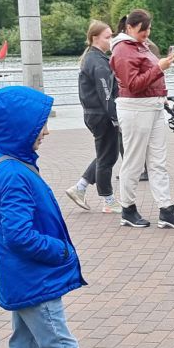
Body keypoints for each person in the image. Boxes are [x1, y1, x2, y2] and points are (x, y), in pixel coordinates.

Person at [0, 86, 138, 348]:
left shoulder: (6, 162)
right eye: (40, 126)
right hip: (35, 282)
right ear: (22, 127)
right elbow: (20, 235)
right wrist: (61, 252)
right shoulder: (14, 174)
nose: (46, 132)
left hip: (21, 280)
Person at [110, 8, 174, 229]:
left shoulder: (138, 46)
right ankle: (128, 208)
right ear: (130, 27)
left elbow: (144, 78)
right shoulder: (123, 50)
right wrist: (159, 68)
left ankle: (165, 209)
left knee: (157, 161)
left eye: (148, 28)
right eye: (143, 29)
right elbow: (133, 84)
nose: (146, 32)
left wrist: (159, 78)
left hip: (152, 106)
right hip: (135, 108)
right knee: (134, 161)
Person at [65, 20, 122, 214]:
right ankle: (108, 200)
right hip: (101, 116)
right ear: (94, 38)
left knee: (105, 154)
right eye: (107, 37)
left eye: (111, 36)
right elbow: (105, 93)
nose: (111, 40)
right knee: (108, 158)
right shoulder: (97, 62)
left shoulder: (92, 58)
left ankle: (79, 187)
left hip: (94, 114)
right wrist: (116, 117)